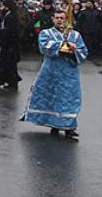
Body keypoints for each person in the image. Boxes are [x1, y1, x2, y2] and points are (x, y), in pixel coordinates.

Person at [21, 8, 88, 140]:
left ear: (66, 19)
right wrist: (63, 46)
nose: (59, 20)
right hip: (50, 72)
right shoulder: (46, 33)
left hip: (69, 73)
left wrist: (73, 50)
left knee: (69, 99)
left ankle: (69, 127)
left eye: (62, 18)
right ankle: (54, 125)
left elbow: (83, 51)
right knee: (51, 98)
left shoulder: (75, 35)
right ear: (53, 19)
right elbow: (44, 47)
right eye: (57, 18)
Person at [0, 0, 22, 89]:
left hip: (9, 44)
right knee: (5, 64)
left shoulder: (10, 16)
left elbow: (9, 31)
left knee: (8, 64)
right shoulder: (9, 14)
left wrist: (0, 31)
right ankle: (3, 80)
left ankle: (11, 82)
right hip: (9, 44)